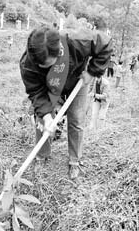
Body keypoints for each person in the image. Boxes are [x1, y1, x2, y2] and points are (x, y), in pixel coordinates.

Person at [19, 26, 112, 179]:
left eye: (48, 64)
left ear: (58, 51)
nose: (43, 67)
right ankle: (42, 156)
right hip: (49, 86)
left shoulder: (77, 40)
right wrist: (47, 116)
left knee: (76, 119)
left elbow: (105, 44)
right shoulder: (27, 64)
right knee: (41, 120)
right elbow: (36, 92)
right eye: (40, 65)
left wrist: (91, 72)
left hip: (78, 81)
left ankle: (74, 160)